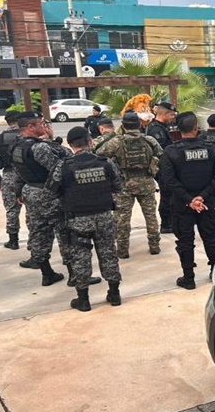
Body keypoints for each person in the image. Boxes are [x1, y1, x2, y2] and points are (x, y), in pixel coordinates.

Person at [47, 127, 124, 312]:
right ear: (90, 141)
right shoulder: (105, 163)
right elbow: (119, 185)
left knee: (80, 257)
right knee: (108, 253)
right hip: (104, 215)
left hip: (78, 219)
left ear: (70, 144)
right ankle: (114, 294)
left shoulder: (64, 166)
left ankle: (83, 300)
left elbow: (51, 189)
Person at [160, 112, 215, 290]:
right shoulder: (211, 149)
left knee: (185, 240)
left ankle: (188, 278)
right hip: (206, 202)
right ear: (196, 128)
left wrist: (190, 200)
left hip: (182, 203)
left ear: (178, 130)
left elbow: (168, 181)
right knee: (210, 236)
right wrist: (202, 196)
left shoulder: (171, 151)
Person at [10, 112, 71, 285]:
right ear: (30, 127)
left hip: (30, 191)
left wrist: (18, 192)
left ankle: (47, 273)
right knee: (64, 231)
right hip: (48, 193)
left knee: (38, 231)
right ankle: (76, 275)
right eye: (39, 124)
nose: (43, 127)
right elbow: (60, 168)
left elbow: (17, 172)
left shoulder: (16, 145)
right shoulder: (40, 147)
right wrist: (53, 142)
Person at [96, 111, 164, 259]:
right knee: (151, 216)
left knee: (122, 219)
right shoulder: (149, 140)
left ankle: (122, 250)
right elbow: (160, 153)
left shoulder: (116, 141)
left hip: (124, 185)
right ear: (139, 125)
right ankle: (154, 246)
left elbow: (100, 154)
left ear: (123, 126)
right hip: (146, 182)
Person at [0, 109, 23, 250]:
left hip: (9, 175)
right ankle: (35, 241)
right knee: (33, 211)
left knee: (12, 209)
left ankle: (13, 240)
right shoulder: (27, 134)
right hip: (29, 177)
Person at [146, 101, 178, 233]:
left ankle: (170, 221)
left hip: (167, 167)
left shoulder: (162, 127)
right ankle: (166, 224)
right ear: (164, 114)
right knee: (167, 195)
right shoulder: (156, 129)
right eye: (172, 115)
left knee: (170, 195)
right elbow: (161, 151)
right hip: (162, 168)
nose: (173, 118)